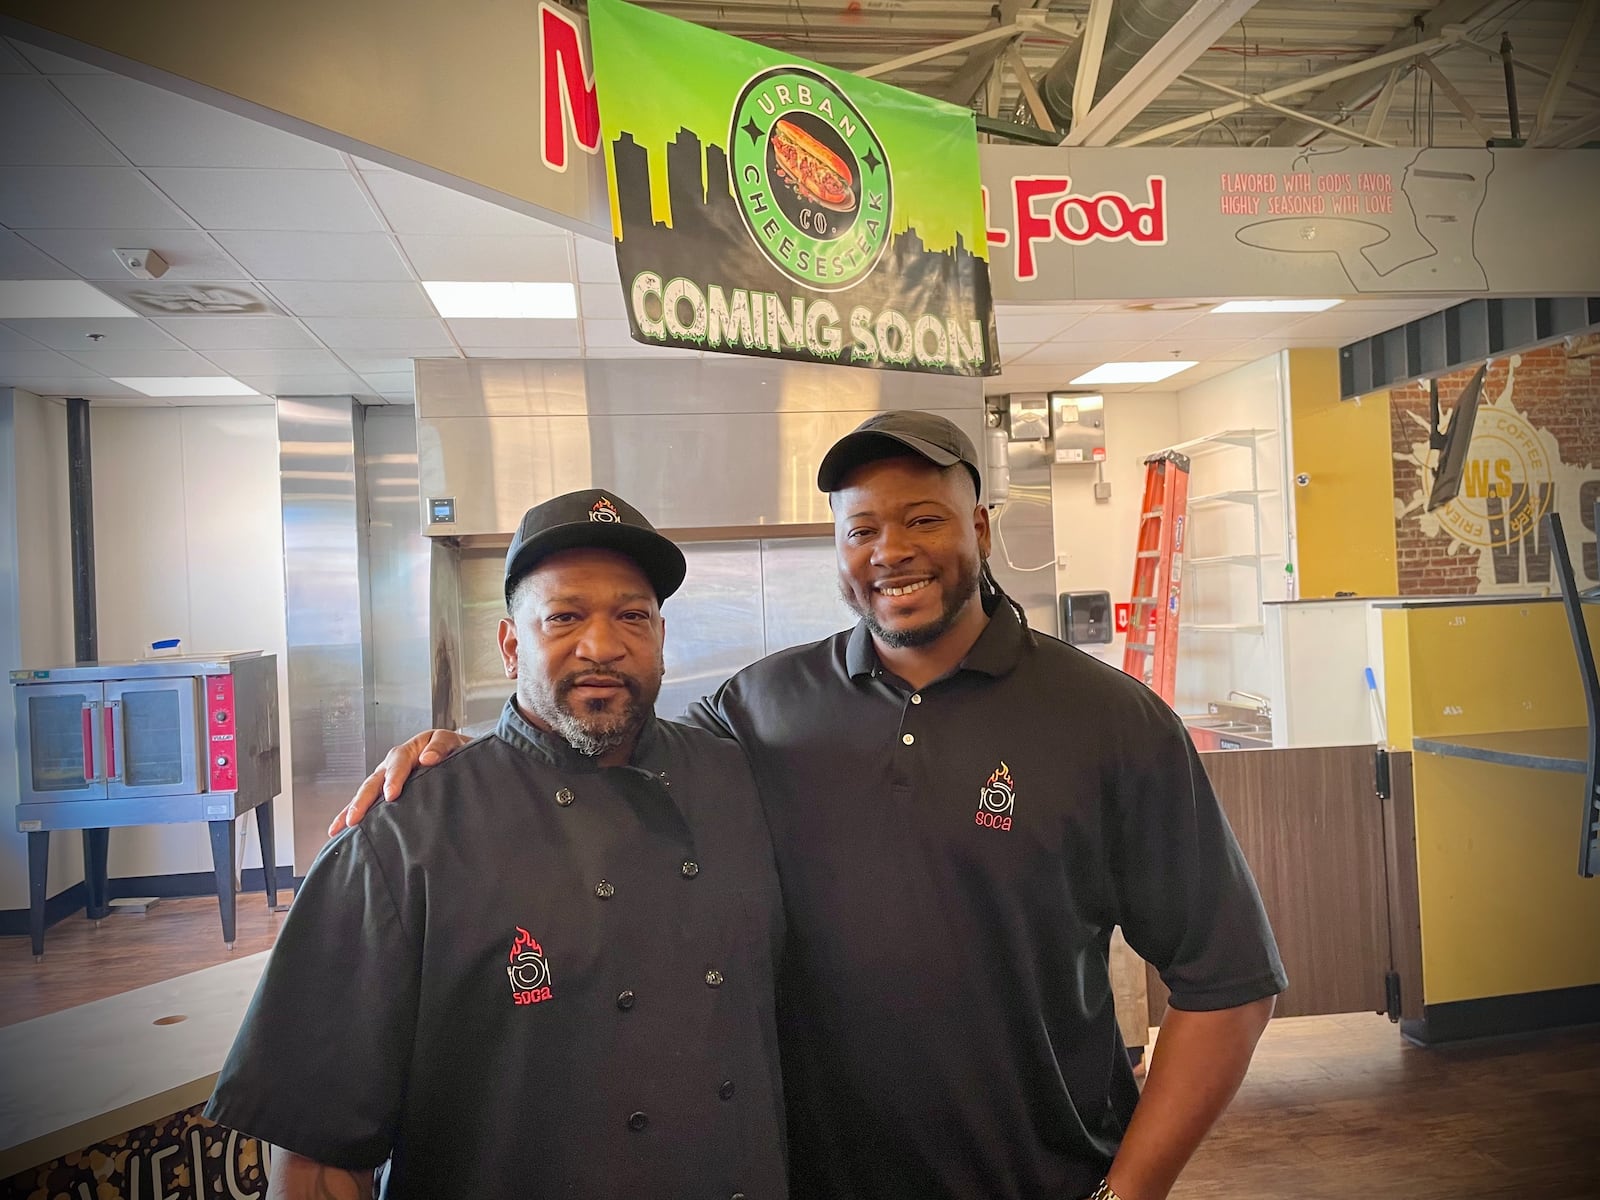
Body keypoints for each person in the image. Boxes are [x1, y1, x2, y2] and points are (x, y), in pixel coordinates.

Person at [339, 412, 1287, 1200]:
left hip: (1038, 1177)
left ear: (983, 530)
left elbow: (1229, 980)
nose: (892, 552)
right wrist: (465, 755)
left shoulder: (1110, 720)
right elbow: (605, 753)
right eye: (862, 529)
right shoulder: (757, 709)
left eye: (924, 520)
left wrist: (1131, 1194)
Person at [210, 489, 787, 1199]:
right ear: (513, 646)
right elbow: (318, 1158)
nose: (602, 646)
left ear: (661, 637)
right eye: (565, 617)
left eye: (631, 616)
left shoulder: (739, 780)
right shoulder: (403, 835)